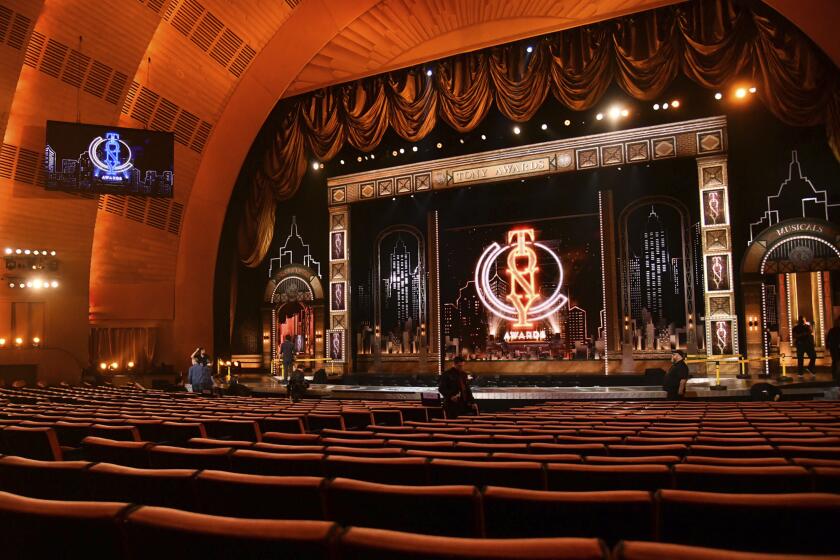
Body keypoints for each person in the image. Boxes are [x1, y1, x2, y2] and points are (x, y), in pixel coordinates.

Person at [826, 317, 840, 382]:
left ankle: (835, 374)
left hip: (834, 347)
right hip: (834, 347)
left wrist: (828, 346)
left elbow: (828, 339)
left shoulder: (832, 330)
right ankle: (835, 374)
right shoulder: (832, 330)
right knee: (835, 360)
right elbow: (828, 339)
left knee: (835, 361)